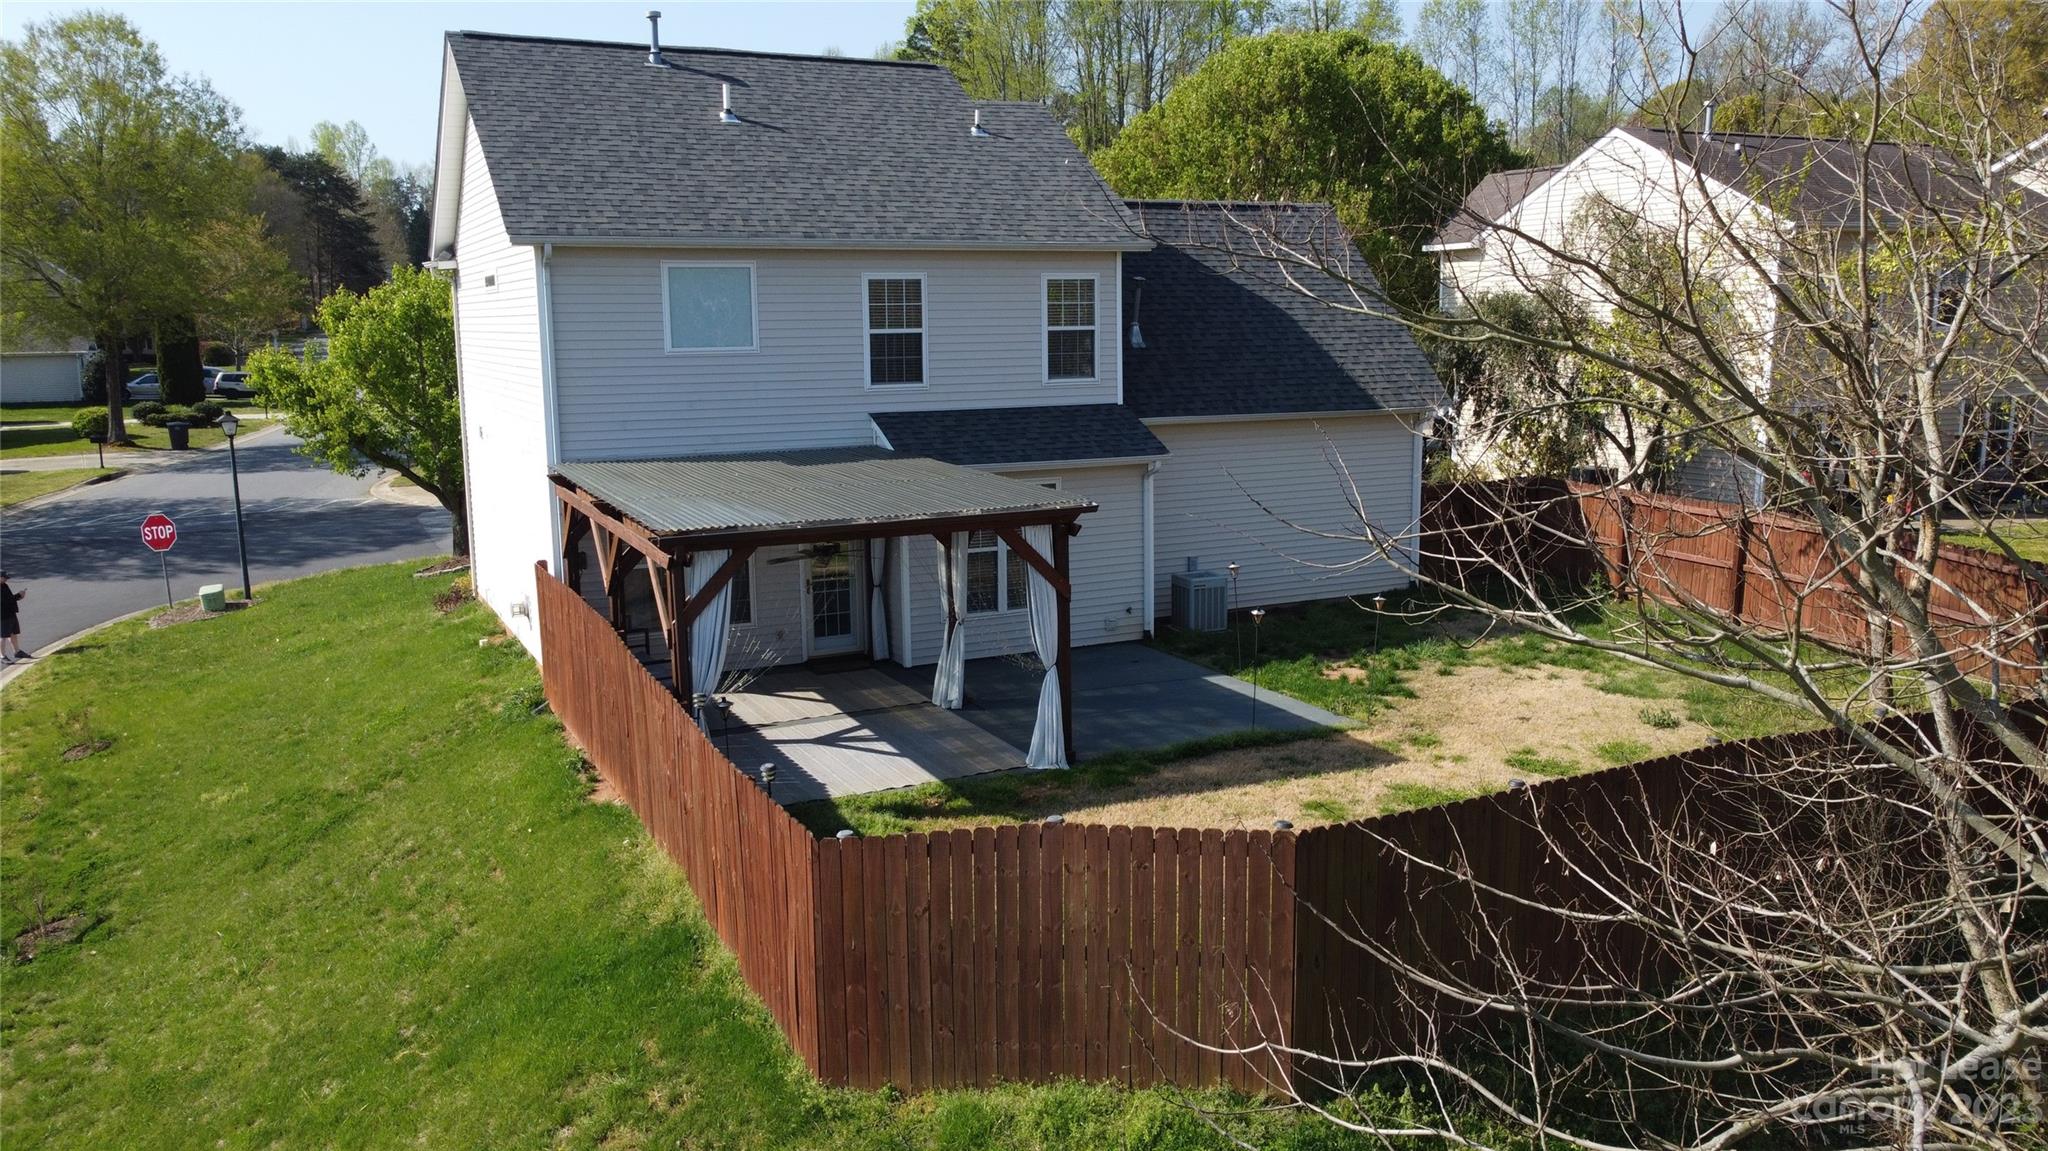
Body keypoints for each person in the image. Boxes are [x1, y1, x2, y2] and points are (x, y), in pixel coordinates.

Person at [1, 572, 25, 664]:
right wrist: (18, 596)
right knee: (2, 636)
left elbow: (10, 598)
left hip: (10, 613)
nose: (6, 579)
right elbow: (4, 601)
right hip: (2, 616)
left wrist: (18, 597)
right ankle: (2, 656)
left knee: (13, 633)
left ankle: (17, 651)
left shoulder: (4, 585)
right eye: (4, 577)